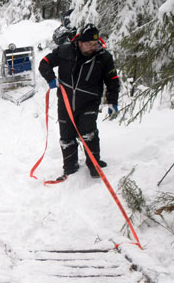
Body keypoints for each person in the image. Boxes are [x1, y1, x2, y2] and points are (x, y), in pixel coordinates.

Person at [38, 23, 120, 179]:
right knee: (66, 137)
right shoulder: (64, 51)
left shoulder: (104, 58)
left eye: (95, 44)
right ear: (80, 42)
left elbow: (113, 80)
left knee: (88, 133)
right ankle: (70, 168)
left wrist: (112, 101)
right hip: (66, 104)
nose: (92, 48)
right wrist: (50, 78)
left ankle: (94, 166)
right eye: (88, 44)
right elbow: (44, 63)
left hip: (89, 103)